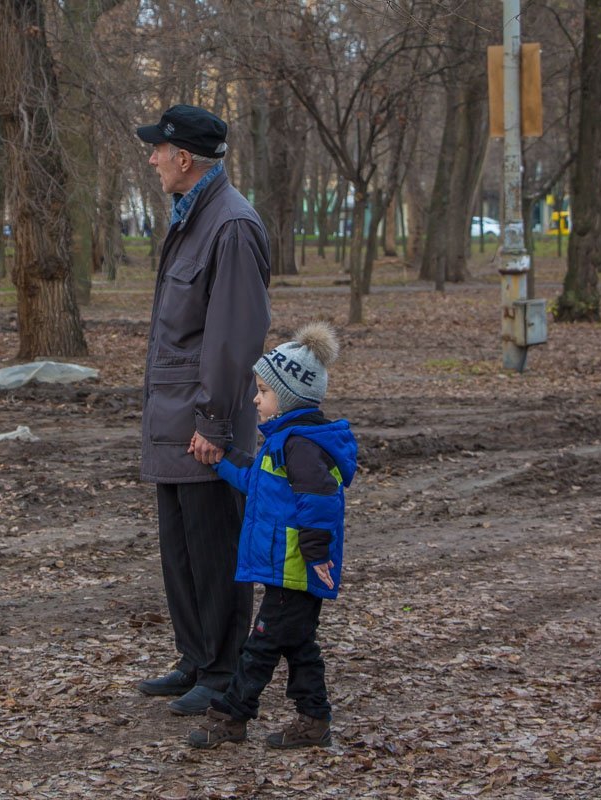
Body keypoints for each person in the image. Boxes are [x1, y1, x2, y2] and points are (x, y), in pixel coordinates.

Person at [134, 104, 272, 716]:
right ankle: (196, 658)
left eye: (158, 150)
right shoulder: (192, 216)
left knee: (215, 550)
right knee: (182, 550)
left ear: (183, 157)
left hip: (202, 423)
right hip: (174, 418)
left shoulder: (231, 224)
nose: (152, 159)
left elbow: (233, 337)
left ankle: (222, 671)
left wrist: (213, 422)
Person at [186, 322, 358, 749]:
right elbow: (256, 484)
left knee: (260, 646)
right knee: (300, 646)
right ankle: (314, 720)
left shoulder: (301, 446)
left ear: (289, 397)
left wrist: (316, 553)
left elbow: (320, 503)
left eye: (262, 391)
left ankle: (231, 716)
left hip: (298, 568)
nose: (254, 399)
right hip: (289, 568)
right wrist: (221, 461)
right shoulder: (284, 442)